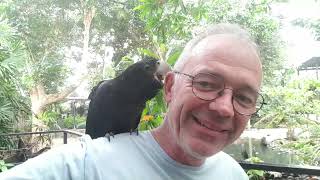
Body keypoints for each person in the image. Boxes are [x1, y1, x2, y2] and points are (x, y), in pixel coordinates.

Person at [0, 23, 264, 180]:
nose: (223, 107)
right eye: (205, 84)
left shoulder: (233, 174)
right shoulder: (83, 164)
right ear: (170, 88)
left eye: (243, 97)